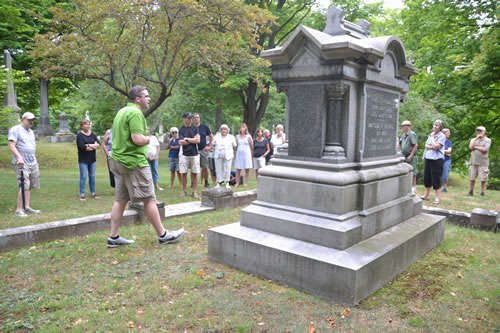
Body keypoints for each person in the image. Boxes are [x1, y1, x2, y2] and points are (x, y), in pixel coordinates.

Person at [108, 85, 184, 247]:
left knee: (120, 199)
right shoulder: (135, 113)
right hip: (133, 162)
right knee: (149, 198)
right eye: (146, 96)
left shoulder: (122, 112)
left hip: (117, 160)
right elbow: (137, 139)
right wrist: (148, 138)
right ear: (138, 99)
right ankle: (163, 235)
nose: (149, 99)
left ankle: (113, 237)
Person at [8, 112, 41, 217]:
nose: (31, 121)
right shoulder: (15, 129)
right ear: (23, 119)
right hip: (21, 162)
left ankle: (26, 207)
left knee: (29, 185)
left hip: (32, 162)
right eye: (29, 119)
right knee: (23, 185)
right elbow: (12, 146)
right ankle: (18, 210)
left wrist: (34, 159)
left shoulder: (31, 132)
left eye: (33, 120)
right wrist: (19, 157)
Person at [420, 120, 446, 204]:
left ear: (440, 127)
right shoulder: (431, 133)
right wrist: (432, 146)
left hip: (437, 159)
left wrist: (432, 139)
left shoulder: (442, 136)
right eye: (434, 124)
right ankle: (426, 195)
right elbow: (426, 145)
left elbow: (436, 146)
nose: (435, 126)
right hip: (428, 158)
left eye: (437, 125)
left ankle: (437, 198)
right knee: (427, 177)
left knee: (436, 177)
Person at [76, 119, 100, 201]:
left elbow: (98, 145)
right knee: (83, 176)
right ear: (82, 126)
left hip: (92, 159)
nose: (88, 126)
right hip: (83, 160)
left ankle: (93, 193)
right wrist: (93, 146)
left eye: (89, 124)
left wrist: (89, 145)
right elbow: (84, 148)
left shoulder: (93, 135)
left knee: (92, 176)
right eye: (86, 124)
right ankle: (82, 194)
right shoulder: (79, 136)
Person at [178, 112, 201, 199]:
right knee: (184, 173)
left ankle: (194, 192)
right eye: (188, 118)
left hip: (194, 154)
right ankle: (184, 191)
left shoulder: (195, 129)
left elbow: (198, 140)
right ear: (184, 119)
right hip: (184, 154)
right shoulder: (181, 129)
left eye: (191, 118)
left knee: (194, 173)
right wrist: (193, 139)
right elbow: (180, 142)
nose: (190, 119)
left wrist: (186, 139)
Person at [466, 126, 491, 197]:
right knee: (472, 177)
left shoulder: (488, 140)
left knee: (483, 178)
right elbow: (470, 147)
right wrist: (476, 139)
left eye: (480, 131)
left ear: (484, 132)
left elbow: (485, 149)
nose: (479, 132)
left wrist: (475, 147)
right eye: (478, 131)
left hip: (483, 162)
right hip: (473, 161)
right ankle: (471, 191)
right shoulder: (474, 139)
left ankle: (482, 193)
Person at [192, 113, 213, 188]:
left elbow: (211, 136)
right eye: (194, 118)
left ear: (199, 118)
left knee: (205, 167)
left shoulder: (204, 127)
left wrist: (209, 145)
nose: (196, 119)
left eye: (197, 117)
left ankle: (206, 182)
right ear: (192, 119)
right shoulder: (190, 127)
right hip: (193, 150)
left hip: (203, 149)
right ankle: (193, 182)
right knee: (193, 167)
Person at [212, 124, 236, 189]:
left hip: (228, 155)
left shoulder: (231, 137)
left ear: (227, 130)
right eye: (222, 129)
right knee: (218, 169)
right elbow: (213, 144)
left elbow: (234, 146)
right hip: (218, 155)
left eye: (225, 129)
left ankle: (227, 183)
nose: (223, 130)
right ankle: (218, 183)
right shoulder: (216, 136)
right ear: (220, 130)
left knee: (227, 169)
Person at [399, 120, 418, 193]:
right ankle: (406, 186)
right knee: (405, 170)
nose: (402, 128)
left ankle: (413, 187)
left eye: (403, 127)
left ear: (407, 127)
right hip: (404, 156)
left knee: (413, 172)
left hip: (411, 156)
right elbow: (400, 144)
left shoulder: (412, 134)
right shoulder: (403, 135)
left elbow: (415, 145)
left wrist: (411, 155)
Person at [234, 123, 253, 187]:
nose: (242, 128)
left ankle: (246, 183)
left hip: (246, 154)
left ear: (246, 128)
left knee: (247, 169)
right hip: (239, 154)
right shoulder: (237, 136)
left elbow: (251, 145)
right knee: (238, 169)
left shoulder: (248, 136)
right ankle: (237, 182)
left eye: (243, 127)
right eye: (241, 127)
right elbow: (236, 146)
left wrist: (251, 153)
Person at [102, 122, 115, 188]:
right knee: (112, 172)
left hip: (121, 154)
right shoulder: (109, 132)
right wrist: (107, 153)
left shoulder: (122, 131)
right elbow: (104, 143)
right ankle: (115, 186)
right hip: (111, 154)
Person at [441, 128, 452, 193]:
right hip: (439, 159)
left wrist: (441, 150)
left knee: (445, 175)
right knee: (437, 173)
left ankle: (444, 188)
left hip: (447, 160)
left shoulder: (449, 142)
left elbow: (449, 151)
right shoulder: (439, 141)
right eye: (448, 133)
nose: (449, 134)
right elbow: (435, 148)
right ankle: (437, 186)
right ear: (444, 134)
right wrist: (446, 152)